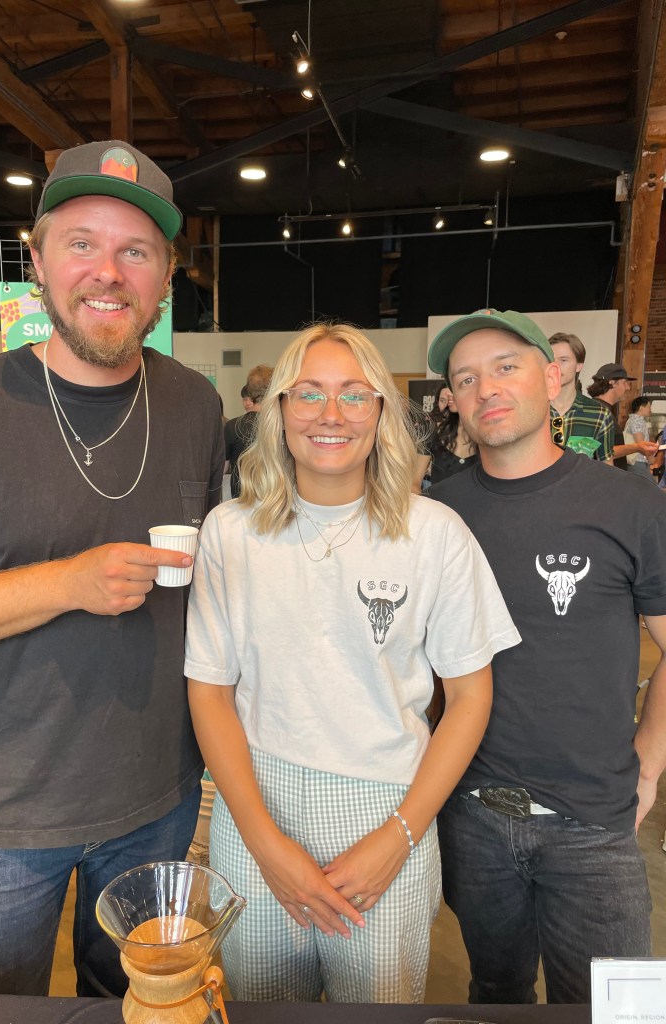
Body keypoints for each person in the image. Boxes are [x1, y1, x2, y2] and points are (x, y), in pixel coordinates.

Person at [0, 140, 225, 997]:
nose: (107, 272)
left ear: (165, 278)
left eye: (136, 251)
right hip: (0, 816)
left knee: (136, 1007)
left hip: (158, 802)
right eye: (82, 243)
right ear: (37, 261)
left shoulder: (195, 404)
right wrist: (68, 584)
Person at [185, 323, 520, 1003]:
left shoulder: (434, 534)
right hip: (256, 804)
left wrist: (400, 836)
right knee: (260, 1008)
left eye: (353, 395)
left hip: (388, 810)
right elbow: (210, 692)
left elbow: (470, 699)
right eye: (309, 393)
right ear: (279, 410)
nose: (331, 415)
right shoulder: (230, 532)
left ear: (381, 411)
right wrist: (264, 843)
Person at [427, 308, 666, 1005]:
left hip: (594, 820)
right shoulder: (437, 514)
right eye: (465, 379)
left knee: (611, 1010)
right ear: (454, 400)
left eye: (506, 367)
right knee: (496, 992)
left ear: (554, 377)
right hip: (472, 811)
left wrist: (650, 761)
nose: (486, 389)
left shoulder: (628, 502)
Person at [548, 332, 614, 462]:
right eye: (551, 360)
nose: (556, 366)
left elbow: (606, 466)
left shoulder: (599, 414)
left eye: (563, 360)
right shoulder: (532, 409)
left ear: (579, 365)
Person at [587, 363, 657, 470]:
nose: (628, 388)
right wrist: (637, 447)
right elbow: (599, 451)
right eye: (625, 383)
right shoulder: (597, 411)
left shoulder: (603, 409)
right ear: (612, 383)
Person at [223, 364, 273, 497]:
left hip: (241, 497)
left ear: (250, 391)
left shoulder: (232, 426)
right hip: (274, 498)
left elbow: (222, 468)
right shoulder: (280, 426)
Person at [428, 384, 478, 484]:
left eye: (453, 392)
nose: (448, 400)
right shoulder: (432, 429)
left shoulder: (485, 434)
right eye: (442, 400)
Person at [623, 396, 656, 482]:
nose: (650, 410)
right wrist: (651, 458)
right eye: (649, 407)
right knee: (647, 486)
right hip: (637, 460)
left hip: (637, 460)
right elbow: (641, 443)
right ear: (641, 407)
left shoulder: (633, 420)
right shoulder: (637, 421)